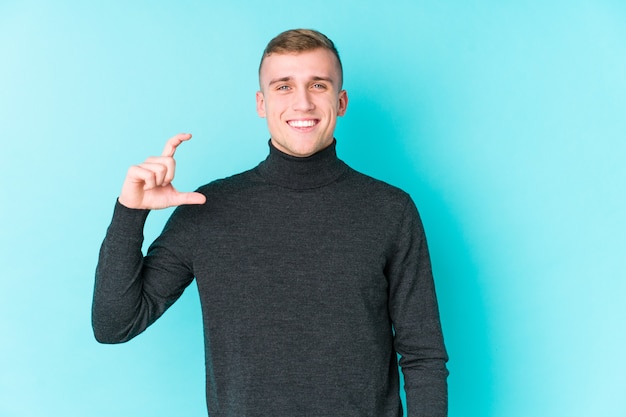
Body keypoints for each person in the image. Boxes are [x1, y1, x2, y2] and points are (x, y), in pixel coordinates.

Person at [92, 29, 449, 417]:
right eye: (283, 86)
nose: (302, 102)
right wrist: (131, 212)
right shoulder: (205, 209)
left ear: (340, 101)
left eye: (318, 84)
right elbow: (114, 325)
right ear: (261, 103)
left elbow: (423, 355)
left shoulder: (390, 210)